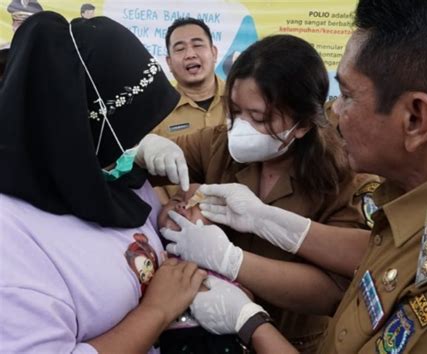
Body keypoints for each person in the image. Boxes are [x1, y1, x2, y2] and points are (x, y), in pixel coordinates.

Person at [171, 0, 427, 352]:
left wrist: (248, 317)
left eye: (346, 95)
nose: (334, 112)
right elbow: (379, 252)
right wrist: (267, 220)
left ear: (415, 119)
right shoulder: (417, 207)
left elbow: (334, 291)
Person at [142, 34, 381, 352]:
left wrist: (232, 261)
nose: (240, 127)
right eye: (235, 111)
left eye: (258, 118)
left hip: (292, 341)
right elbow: (150, 165)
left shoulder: (343, 179)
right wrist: (143, 150)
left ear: (302, 125)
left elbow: (333, 292)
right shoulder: (219, 144)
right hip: (212, 336)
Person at [0, 11, 205, 353]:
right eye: (128, 135)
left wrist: (166, 219)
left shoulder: (100, 173)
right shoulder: (10, 238)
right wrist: (156, 312)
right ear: (81, 131)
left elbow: (127, 232)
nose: (134, 146)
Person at [156, 184, 244, 354]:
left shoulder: (219, 259)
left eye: (198, 206)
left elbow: (246, 297)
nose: (182, 206)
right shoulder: (154, 251)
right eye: (176, 199)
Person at [152, 17, 225, 138]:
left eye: (197, 45)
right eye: (180, 49)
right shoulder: (157, 113)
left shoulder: (240, 99)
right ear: (169, 62)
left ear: (214, 53)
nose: (190, 55)